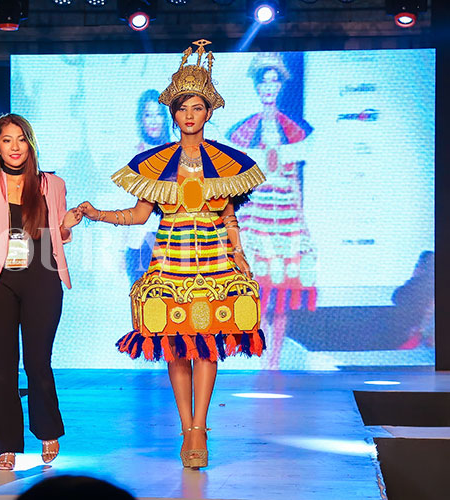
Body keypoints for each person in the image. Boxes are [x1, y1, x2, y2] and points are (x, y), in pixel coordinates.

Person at [78, 40, 266, 468]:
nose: (190, 115)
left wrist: (240, 254)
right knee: (177, 345)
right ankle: (187, 429)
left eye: (197, 107)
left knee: (208, 345)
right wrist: (97, 213)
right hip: (169, 262)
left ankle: (200, 427)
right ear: (174, 114)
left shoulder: (228, 162)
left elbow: (230, 217)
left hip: (216, 261)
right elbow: (138, 215)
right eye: (183, 108)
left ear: (209, 112)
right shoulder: (156, 163)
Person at [0, 113, 82, 470]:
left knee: (37, 361)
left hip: (42, 278)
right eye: (6, 140)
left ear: (30, 145)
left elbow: (57, 234)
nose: (14, 147)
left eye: (20, 139)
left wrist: (67, 225)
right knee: (3, 366)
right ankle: (6, 444)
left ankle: (47, 430)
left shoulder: (52, 184)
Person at [226, 52, 316, 369]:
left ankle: (274, 360)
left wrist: (302, 223)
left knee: (283, 293)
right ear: (257, 87)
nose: (268, 87)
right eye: (263, 82)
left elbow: (294, 179)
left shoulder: (294, 129)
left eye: (274, 81)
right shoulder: (243, 131)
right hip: (256, 215)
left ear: (280, 86)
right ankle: (261, 354)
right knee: (258, 289)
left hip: (286, 216)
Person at [135, 89, 172, 153]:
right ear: (141, 119)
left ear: (164, 118)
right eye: (148, 115)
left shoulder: (176, 151)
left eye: (158, 114)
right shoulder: (134, 153)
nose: (153, 121)